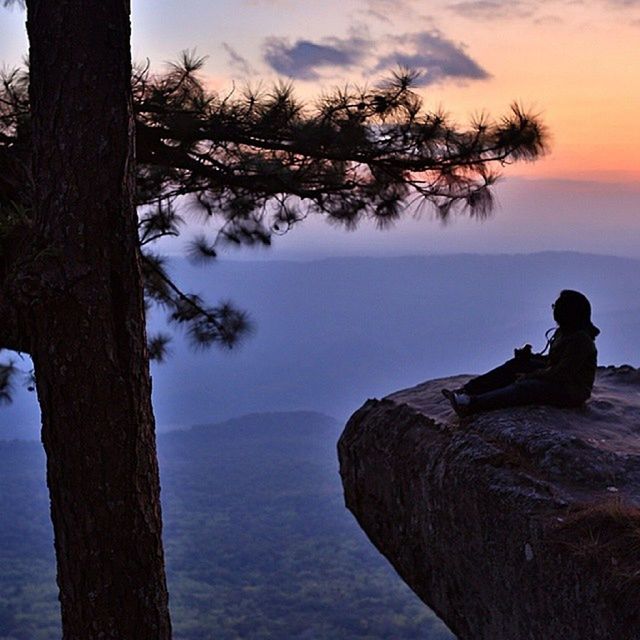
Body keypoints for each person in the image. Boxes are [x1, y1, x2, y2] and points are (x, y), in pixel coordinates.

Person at [442, 289, 599, 417]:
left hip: (571, 391)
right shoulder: (564, 332)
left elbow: (562, 372)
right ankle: (467, 390)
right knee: (517, 365)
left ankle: (472, 404)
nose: (554, 310)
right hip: (560, 379)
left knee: (526, 387)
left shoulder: (580, 340)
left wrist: (531, 375)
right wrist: (529, 358)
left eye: (556, 307)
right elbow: (554, 361)